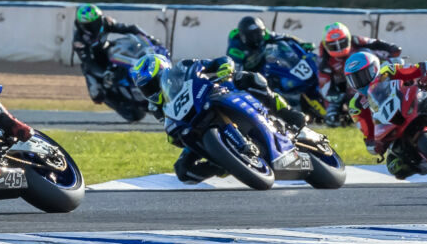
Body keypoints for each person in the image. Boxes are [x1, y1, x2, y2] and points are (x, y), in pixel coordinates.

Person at [128, 54, 306, 183]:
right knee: (182, 171)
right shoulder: (156, 108)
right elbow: (171, 129)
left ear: (163, 71)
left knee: (250, 78)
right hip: (197, 126)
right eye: (145, 89)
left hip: (215, 96)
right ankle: (227, 163)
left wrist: (224, 68)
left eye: (151, 84)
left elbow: (219, 61)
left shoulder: (183, 67)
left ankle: (287, 113)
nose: (150, 91)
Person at [316, 22, 401, 110]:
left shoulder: (356, 40)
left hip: (372, 75)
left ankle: (391, 79)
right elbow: (325, 89)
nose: (339, 49)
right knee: (332, 113)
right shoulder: (324, 62)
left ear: (348, 39)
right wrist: (341, 97)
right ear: (326, 46)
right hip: (349, 90)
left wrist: (391, 48)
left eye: (342, 43)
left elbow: (375, 42)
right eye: (334, 46)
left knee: (369, 51)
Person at [72, 4, 161, 74]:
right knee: (95, 90)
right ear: (82, 25)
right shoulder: (79, 39)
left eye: (97, 21)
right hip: (95, 60)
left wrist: (149, 38)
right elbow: (88, 61)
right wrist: (103, 74)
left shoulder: (105, 22)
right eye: (91, 24)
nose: (95, 25)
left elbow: (130, 28)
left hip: (106, 49)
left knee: (121, 45)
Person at [226, 15, 305, 72]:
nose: (258, 37)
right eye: (253, 35)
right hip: (248, 75)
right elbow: (236, 73)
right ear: (244, 36)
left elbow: (285, 37)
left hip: (264, 69)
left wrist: (302, 44)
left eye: (259, 33)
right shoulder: (235, 48)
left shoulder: (264, 35)